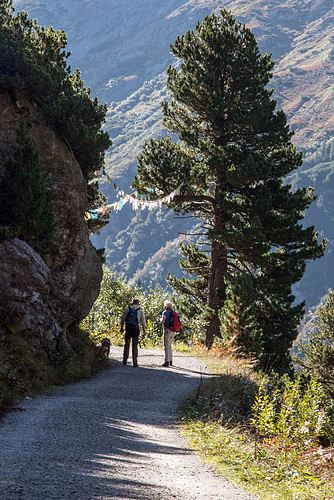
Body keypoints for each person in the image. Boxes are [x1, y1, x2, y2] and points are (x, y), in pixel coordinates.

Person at [120, 298, 146, 367]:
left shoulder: (127, 309)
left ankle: (125, 359)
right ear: (138, 303)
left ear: (132, 303)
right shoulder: (140, 310)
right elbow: (143, 323)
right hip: (135, 329)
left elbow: (122, 319)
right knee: (135, 345)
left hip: (128, 328)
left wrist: (122, 328)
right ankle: (135, 362)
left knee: (127, 344)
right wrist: (144, 332)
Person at [160, 300, 176, 367]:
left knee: (166, 346)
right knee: (169, 346)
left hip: (167, 330)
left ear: (165, 306)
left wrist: (160, 320)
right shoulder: (173, 312)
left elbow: (163, 321)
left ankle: (167, 361)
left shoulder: (165, 312)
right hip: (173, 330)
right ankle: (171, 361)